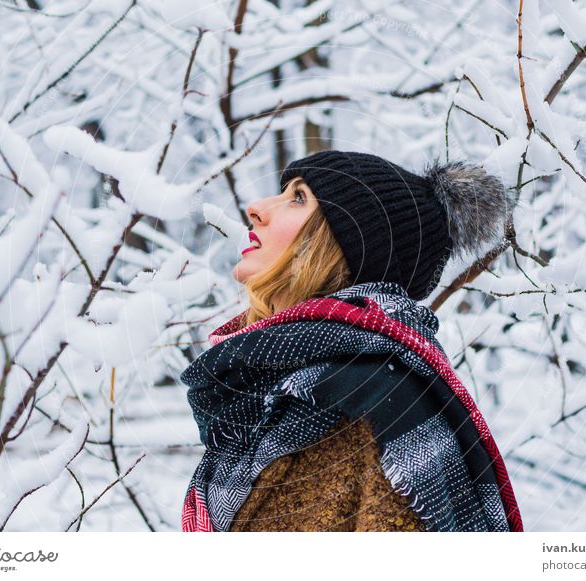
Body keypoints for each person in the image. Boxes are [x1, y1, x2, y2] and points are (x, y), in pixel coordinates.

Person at [180, 150, 524, 532]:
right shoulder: (278, 395)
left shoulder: (367, 403)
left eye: (298, 198)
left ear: (346, 245)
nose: (256, 208)